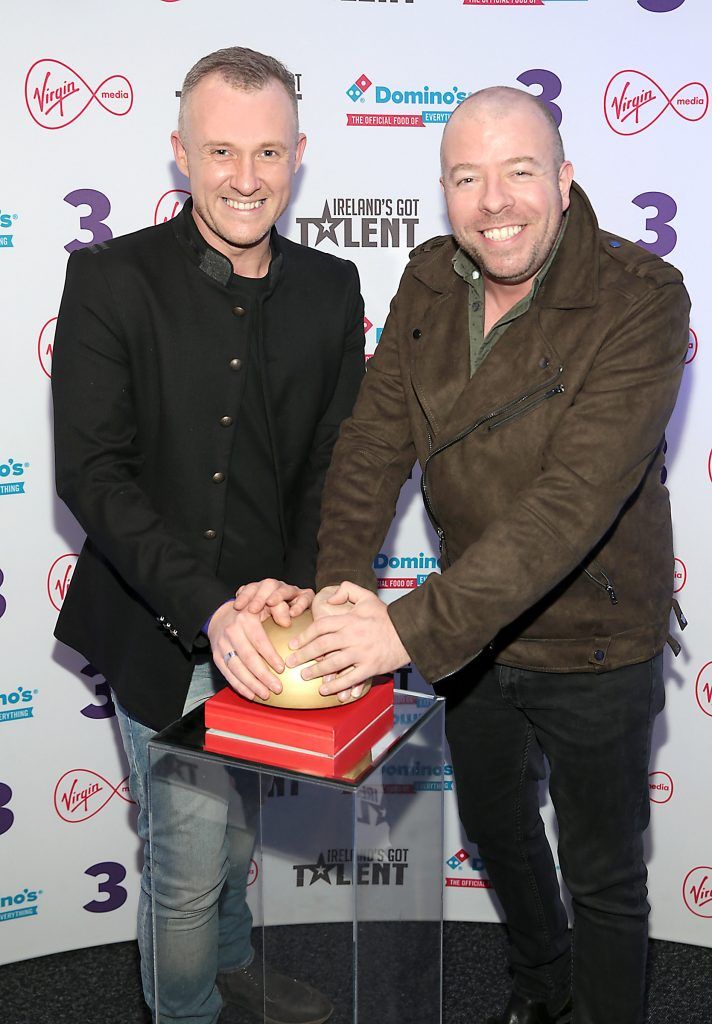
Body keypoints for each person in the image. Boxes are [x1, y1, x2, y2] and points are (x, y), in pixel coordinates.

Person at [283, 87, 690, 1024]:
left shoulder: (642, 296)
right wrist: (342, 593)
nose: (495, 201)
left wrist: (404, 631)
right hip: (474, 643)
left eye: (519, 172)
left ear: (565, 177)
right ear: (444, 191)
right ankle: (539, 988)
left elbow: (570, 506)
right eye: (468, 178)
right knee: (501, 835)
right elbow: (375, 442)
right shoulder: (430, 278)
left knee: (604, 874)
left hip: (593, 634)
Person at [52, 46, 365, 1024]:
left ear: (299, 154)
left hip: (276, 630)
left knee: (232, 837)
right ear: (180, 154)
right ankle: (183, 1007)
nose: (245, 177)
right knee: (188, 863)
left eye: (268, 152)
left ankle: (230, 971)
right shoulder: (109, 279)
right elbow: (92, 472)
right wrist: (210, 605)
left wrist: (307, 589)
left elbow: (334, 466)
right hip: (159, 627)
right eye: (221, 150)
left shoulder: (331, 286)